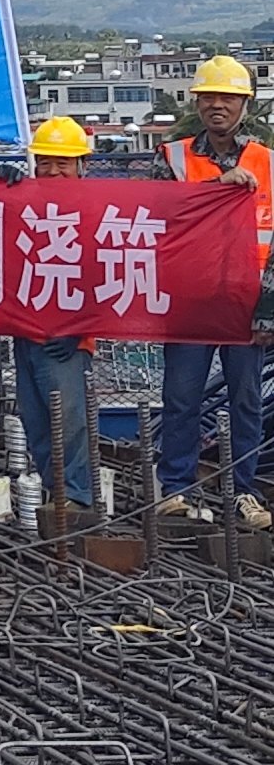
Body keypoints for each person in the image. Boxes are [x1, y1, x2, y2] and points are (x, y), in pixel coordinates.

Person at [155, 55, 270, 528]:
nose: (217, 105)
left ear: (244, 105)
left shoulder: (266, 162)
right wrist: (216, 188)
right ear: (197, 103)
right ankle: (175, 489)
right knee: (182, 398)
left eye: (227, 98)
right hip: (191, 301)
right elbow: (158, 215)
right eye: (209, 97)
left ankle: (244, 491)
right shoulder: (173, 158)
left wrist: (268, 310)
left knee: (246, 400)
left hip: (245, 302)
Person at [5, 116, 98, 511]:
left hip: (68, 338)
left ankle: (76, 497)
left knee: (68, 421)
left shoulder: (97, 210)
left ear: (81, 166)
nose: (53, 171)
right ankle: (54, 493)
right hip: (26, 329)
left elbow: (107, 274)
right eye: (45, 162)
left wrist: (80, 329)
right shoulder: (24, 202)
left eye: (63, 163)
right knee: (37, 422)